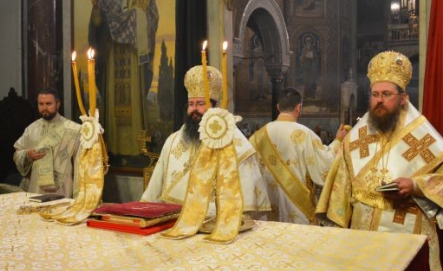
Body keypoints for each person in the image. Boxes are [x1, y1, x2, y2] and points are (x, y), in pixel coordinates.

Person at [316, 51, 443, 271]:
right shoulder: (357, 135)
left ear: (403, 97)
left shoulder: (424, 136)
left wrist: (416, 186)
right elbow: (341, 185)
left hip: (407, 229)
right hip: (362, 234)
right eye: (374, 94)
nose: (379, 100)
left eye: (386, 94)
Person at [141, 65, 270, 218]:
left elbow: (247, 198)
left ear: (216, 106)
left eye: (201, 104)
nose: (194, 109)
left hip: (216, 224)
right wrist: (143, 211)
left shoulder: (236, 145)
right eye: (191, 104)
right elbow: (155, 188)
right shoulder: (173, 141)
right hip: (172, 222)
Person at [89, 0, 159, 159]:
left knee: (133, 97)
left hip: (131, 48)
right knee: (114, 96)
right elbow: (98, 23)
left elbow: (151, 12)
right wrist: (96, 6)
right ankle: (115, 148)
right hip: (112, 49)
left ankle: (136, 148)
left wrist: (136, 18)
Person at [250, 87, 348, 224]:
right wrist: (338, 141)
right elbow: (325, 164)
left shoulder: (257, 136)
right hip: (297, 208)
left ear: (278, 107)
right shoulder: (305, 135)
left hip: (266, 209)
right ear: (298, 108)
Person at [13, 87, 81, 198]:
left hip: (63, 190)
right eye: (41, 104)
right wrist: (28, 155)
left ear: (58, 104)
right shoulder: (31, 129)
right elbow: (17, 153)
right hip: (35, 190)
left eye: (48, 104)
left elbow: (81, 164)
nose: (44, 108)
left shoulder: (73, 129)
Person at [299, 34, 319, 99]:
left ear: (311, 42)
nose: (308, 42)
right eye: (307, 41)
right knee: (306, 81)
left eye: (309, 41)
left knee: (312, 81)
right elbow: (301, 58)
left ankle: (312, 95)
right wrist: (305, 55)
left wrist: (312, 58)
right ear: (305, 42)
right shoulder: (304, 49)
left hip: (312, 68)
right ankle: (306, 95)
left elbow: (316, 58)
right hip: (306, 68)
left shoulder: (313, 50)